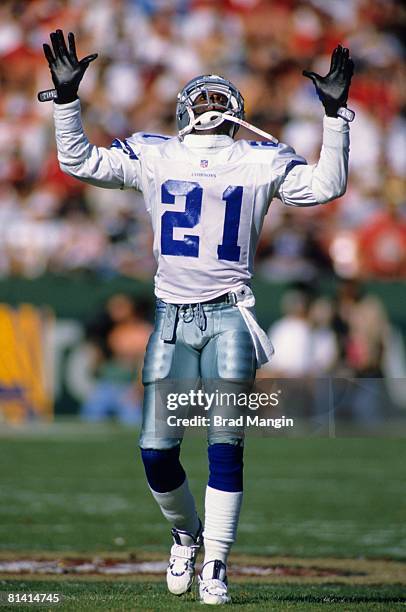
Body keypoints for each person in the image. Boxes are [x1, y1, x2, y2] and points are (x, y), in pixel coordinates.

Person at [42, 29, 353, 605]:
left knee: (225, 441)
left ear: (235, 113)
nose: (210, 106)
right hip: (172, 317)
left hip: (232, 315)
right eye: (201, 98)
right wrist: (65, 101)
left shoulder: (261, 159)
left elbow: (327, 186)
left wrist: (336, 117)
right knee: (156, 450)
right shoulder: (156, 152)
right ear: (185, 110)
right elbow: (77, 160)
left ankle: (217, 562)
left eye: (219, 99)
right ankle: (186, 534)